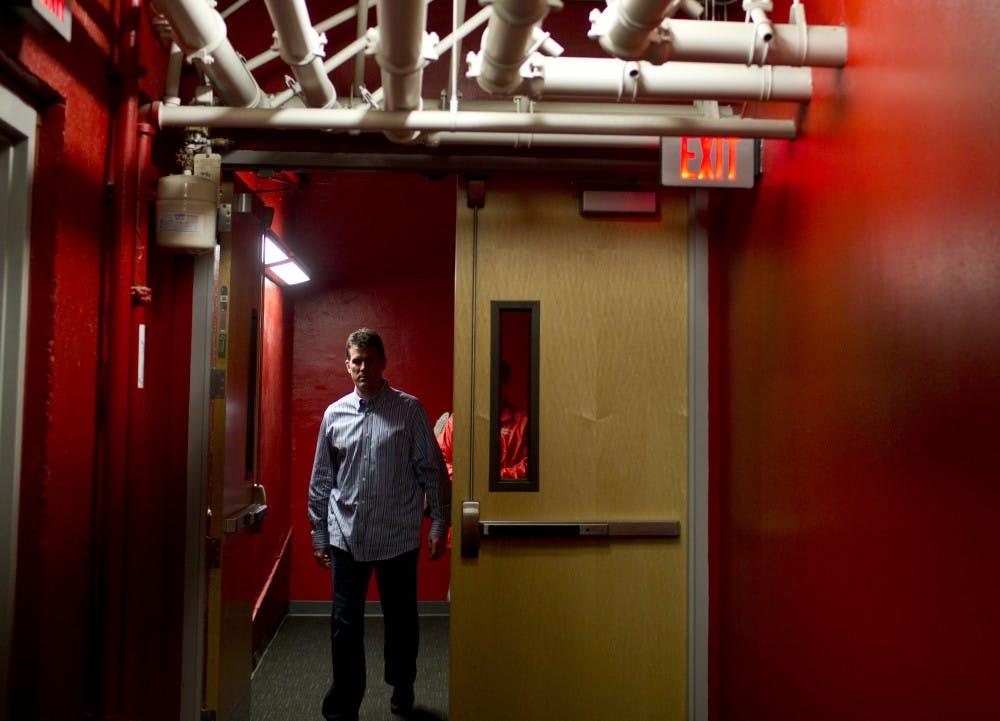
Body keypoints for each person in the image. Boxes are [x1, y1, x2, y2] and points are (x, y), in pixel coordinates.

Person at [308, 328, 451, 721]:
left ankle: (402, 684)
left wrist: (439, 523)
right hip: (346, 536)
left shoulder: (409, 411)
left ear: (383, 363)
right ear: (347, 365)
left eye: (370, 360)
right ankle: (345, 700)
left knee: (401, 619)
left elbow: (432, 471)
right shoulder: (334, 415)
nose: (363, 368)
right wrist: (319, 532)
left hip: (397, 537)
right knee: (344, 623)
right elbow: (322, 479)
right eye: (356, 361)